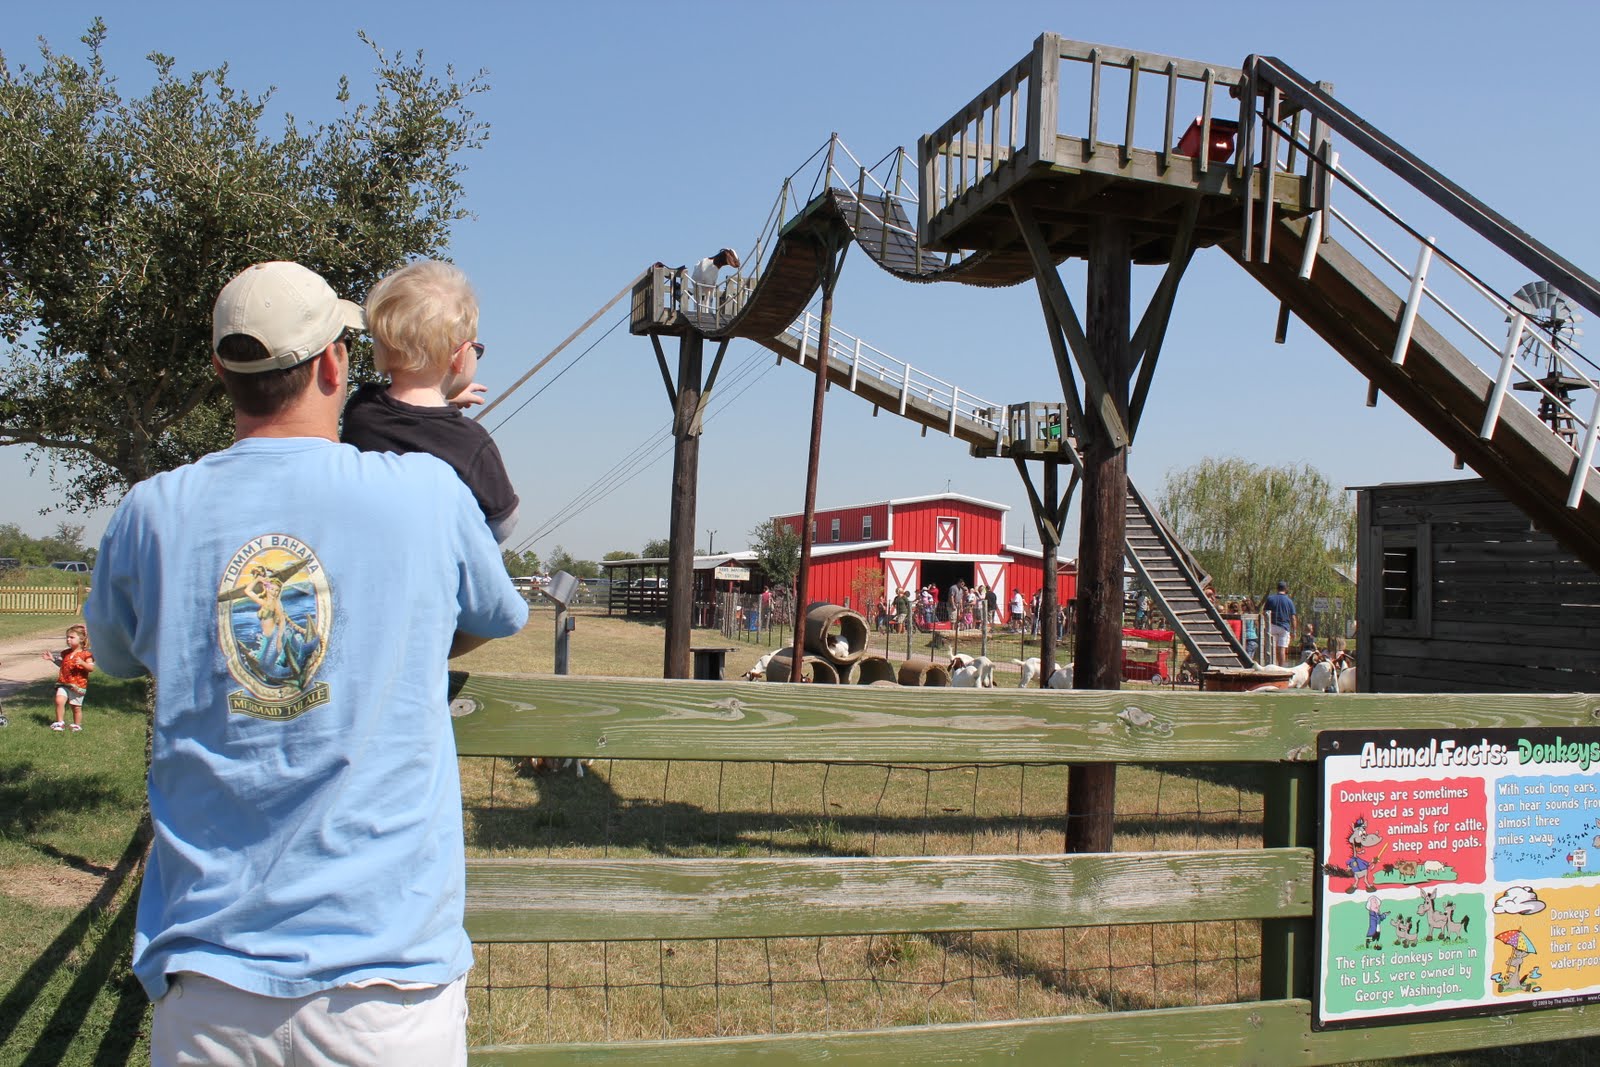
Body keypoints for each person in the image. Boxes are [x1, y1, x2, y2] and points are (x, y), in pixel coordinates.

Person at [85, 261, 528, 1066]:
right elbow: (500, 613)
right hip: (388, 986)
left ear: (222, 372)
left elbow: (116, 653)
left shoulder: (150, 511)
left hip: (208, 982)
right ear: (334, 364)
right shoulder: (428, 493)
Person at [340, 260, 520, 543]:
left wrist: (444, 398)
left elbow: (411, 416)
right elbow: (503, 522)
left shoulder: (361, 409)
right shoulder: (472, 442)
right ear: (460, 357)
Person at [42, 623, 94, 732]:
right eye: (67, 637)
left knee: (76, 707)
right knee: (59, 700)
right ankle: (60, 723)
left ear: (81, 639)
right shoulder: (66, 653)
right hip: (63, 682)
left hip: (77, 685)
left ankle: (76, 725)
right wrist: (53, 659)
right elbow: (63, 665)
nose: (68, 640)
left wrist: (82, 663)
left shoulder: (86, 654)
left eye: (71, 637)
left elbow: (90, 668)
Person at [1263, 581, 1297, 667]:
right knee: (1282, 648)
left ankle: (1270, 665)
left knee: (1271, 648)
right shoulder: (1289, 601)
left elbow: (1264, 613)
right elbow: (1293, 617)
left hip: (1272, 626)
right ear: (1285, 589)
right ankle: (1281, 667)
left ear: (1277, 588)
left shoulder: (1270, 599)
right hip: (1284, 627)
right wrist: (1294, 631)